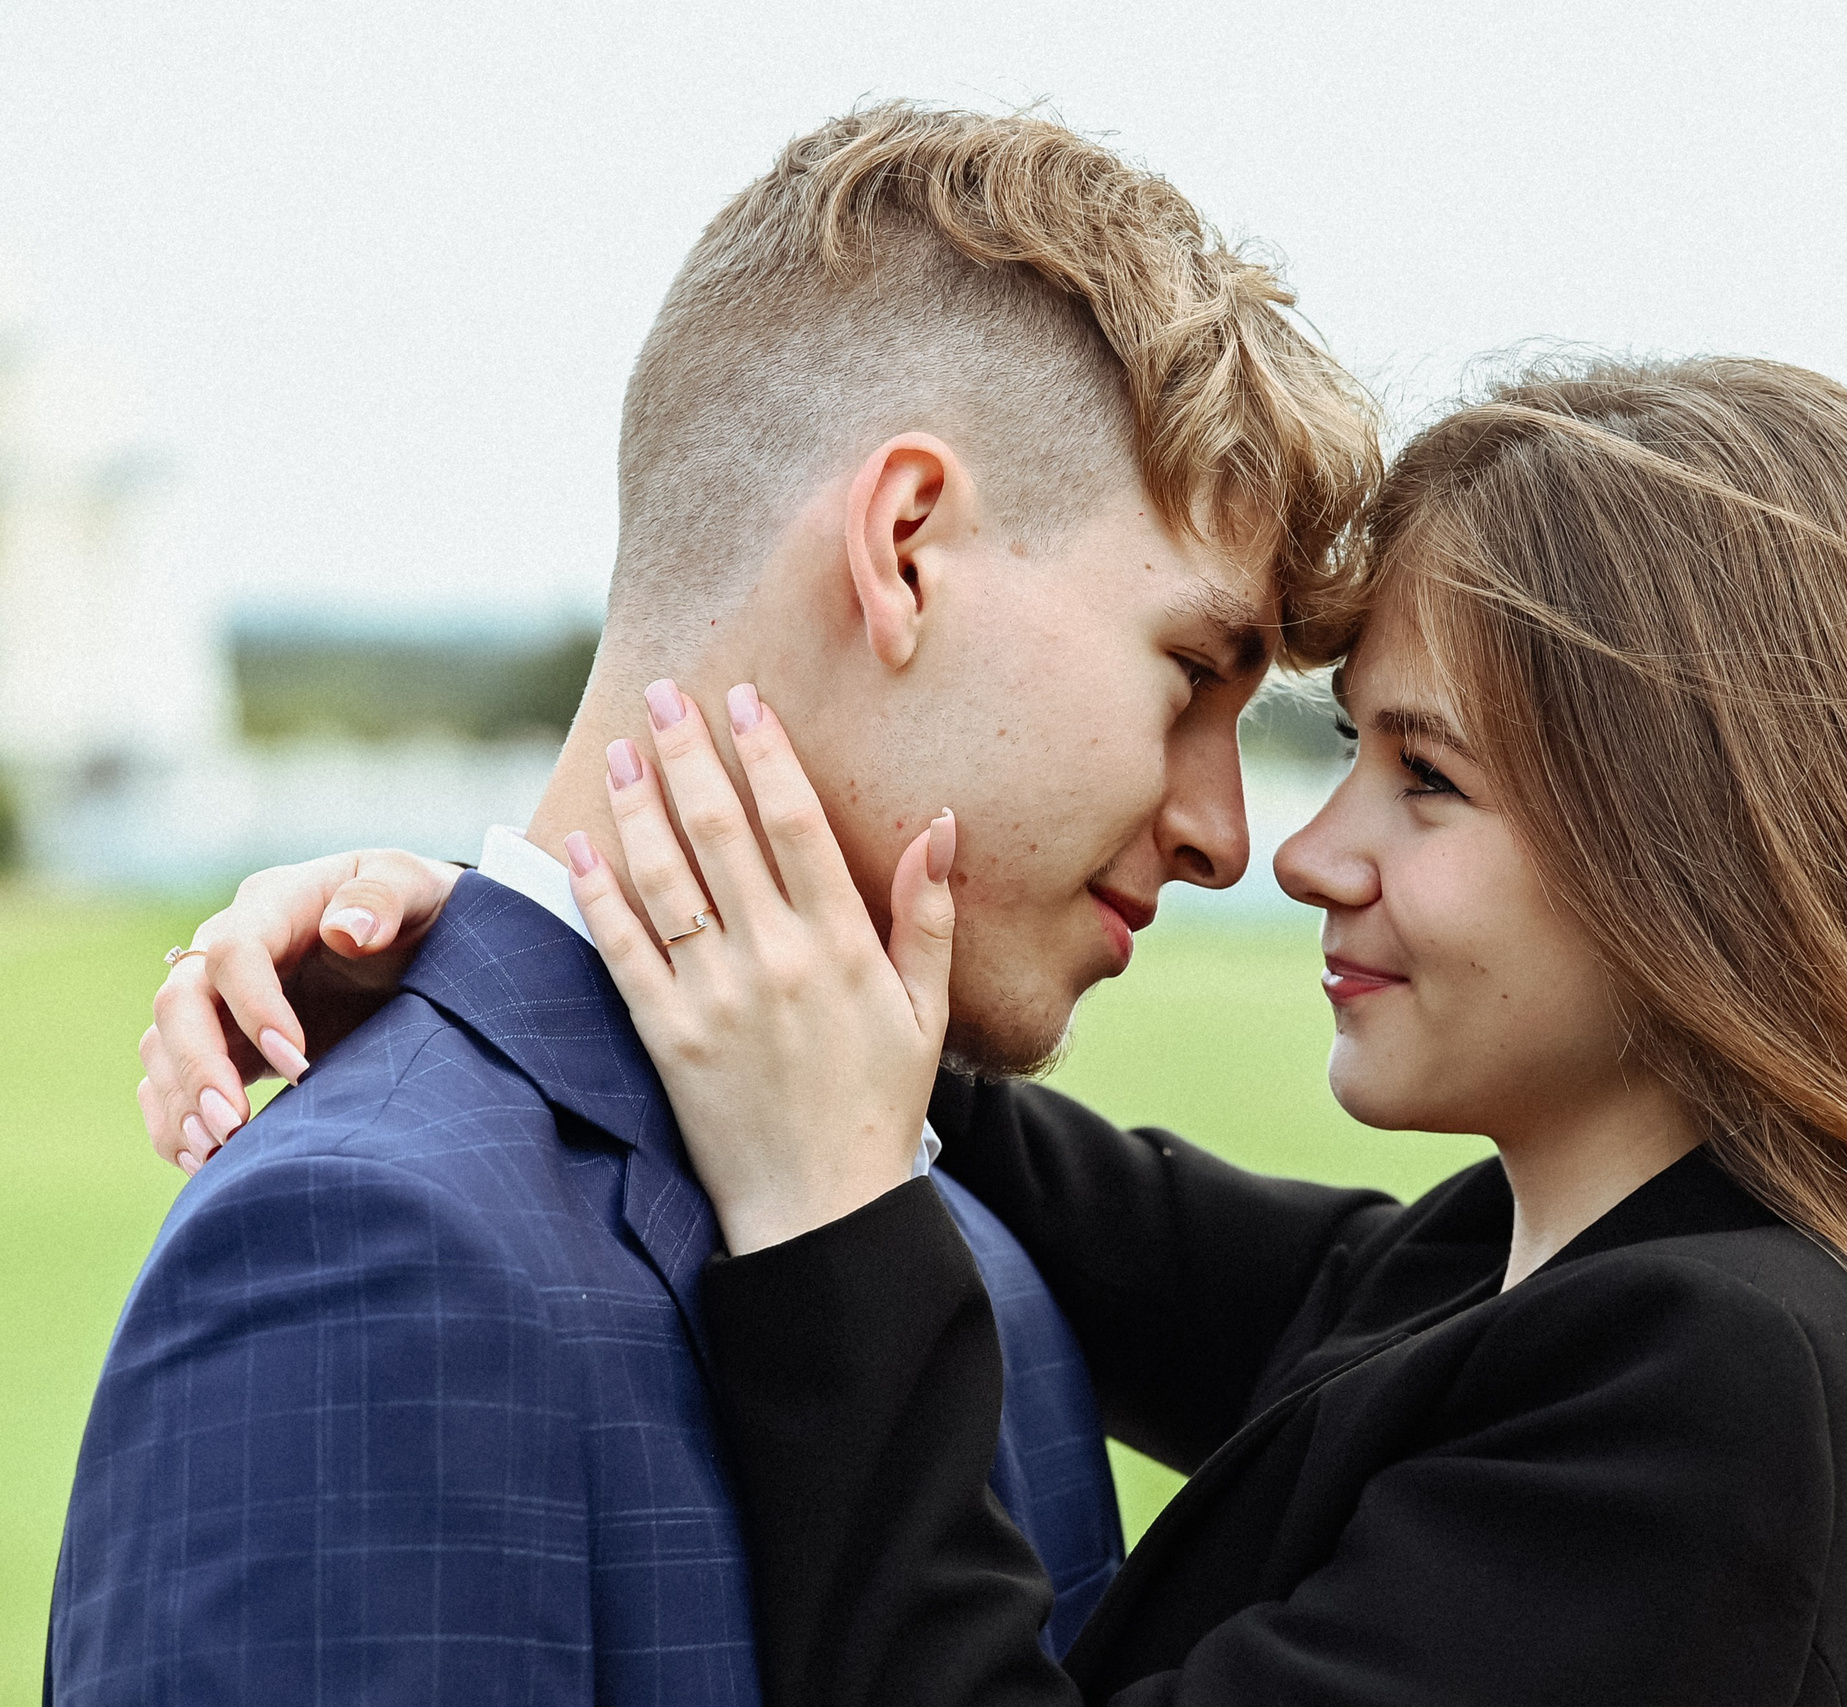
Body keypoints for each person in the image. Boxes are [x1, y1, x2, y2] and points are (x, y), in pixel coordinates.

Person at [142, 358, 1847, 1705]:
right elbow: (1056, 1176)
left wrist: (822, 1206)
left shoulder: (1728, 1385)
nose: (1300, 849)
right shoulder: (1497, 1274)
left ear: (1704, 855)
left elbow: (889, 1176)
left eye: (1423, 776)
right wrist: (553, 919)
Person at [53, 102, 1378, 1705]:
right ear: (901, 547)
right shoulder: (369, 1250)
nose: (1228, 834)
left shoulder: (932, 1233)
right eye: (1189, 675)